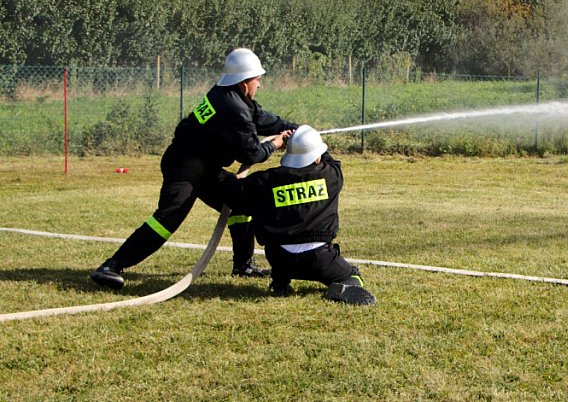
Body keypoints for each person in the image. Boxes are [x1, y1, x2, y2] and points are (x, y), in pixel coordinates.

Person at [90, 48, 297, 290]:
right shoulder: (233, 107)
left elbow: (263, 119)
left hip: (206, 168)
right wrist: (275, 144)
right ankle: (111, 266)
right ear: (244, 81)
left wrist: (298, 129)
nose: (259, 84)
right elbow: (250, 153)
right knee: (167, 219)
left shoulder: (232, 97)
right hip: (184, 169)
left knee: (243, 202)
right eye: (257, 79)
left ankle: (243, 266)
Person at [217, 125, 376, 305]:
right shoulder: (331, 176)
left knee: (280, 256)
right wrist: (306, 138)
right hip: (320, 259)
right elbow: (329, 160)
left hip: (279, 258)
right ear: (316, 156)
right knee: (352, 275)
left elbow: (231, 188)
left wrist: (274, 145)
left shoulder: (266, 181)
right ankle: (343, 287)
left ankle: (280, 283)